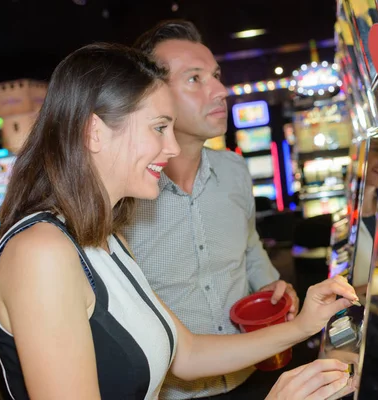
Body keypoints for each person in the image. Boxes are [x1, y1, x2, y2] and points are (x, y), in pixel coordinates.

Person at [0, 42, 360, 400]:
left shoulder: (106, 239)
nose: (173, 147)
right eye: (159, 127)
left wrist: (303, 326)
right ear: (94, 131)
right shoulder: (42, 253)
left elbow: (188, 354)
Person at [123, 20, 299, 399]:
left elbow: (250, 246)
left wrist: (269, 286)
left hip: (254, 375)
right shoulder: (121, 198)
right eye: (195, 79)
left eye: (216, 76)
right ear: (150, 94)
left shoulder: (234, 171)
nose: (220, 90)